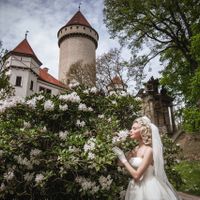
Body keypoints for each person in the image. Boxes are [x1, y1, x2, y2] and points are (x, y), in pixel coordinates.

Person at [112, 116, 181, 200]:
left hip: (149, 188)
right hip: (135, 187)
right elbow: (120, 164)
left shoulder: (149, 151)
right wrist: (120, 146)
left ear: (142, 131)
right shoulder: (135, 149)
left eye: (134, 128)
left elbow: (137, 176)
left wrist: (123, 159)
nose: (131, 130)